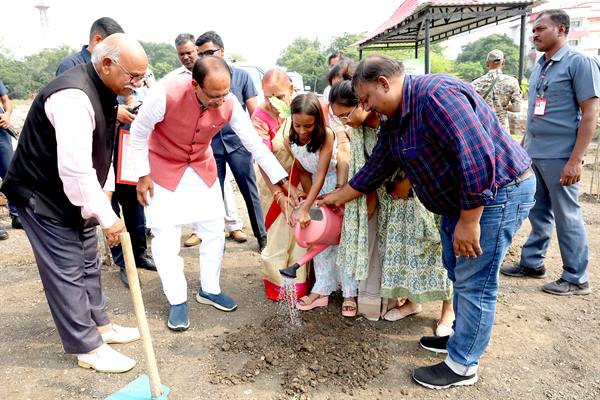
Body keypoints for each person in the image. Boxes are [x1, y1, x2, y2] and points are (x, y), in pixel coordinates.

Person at [319, 55, 535, 389]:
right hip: (460, 204)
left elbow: (477, 157)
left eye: (366, 100)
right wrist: (337, 196)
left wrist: (469, 221)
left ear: (384, 84)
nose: (366, 107)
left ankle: (462, 365)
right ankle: (460, 341)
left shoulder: (435, 97)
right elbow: (378, 165)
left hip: (495, 196)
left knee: (475, 282)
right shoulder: (396, 117)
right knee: (457, 272)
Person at [1, 33, 149, 373]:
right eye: (134, 75)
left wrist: (104, 200)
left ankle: (102, 327)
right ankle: (87, 347)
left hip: (73, 193)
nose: (139, 83)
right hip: (42, 194)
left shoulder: (107, 90)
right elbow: (75, 169)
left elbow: (102, 152)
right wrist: (108, 217)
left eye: (143, 75)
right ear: (107, 64)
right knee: (66, 268)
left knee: (87, 260)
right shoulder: (72, 96)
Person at [130, 56, 288, 331]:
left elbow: (252, 142)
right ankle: (177, 299)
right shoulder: (165, 94)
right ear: (195, 85)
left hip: (201, 168)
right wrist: (142, 175)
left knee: (214, 229)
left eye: (225, 94)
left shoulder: (228, 102)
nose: (220, 101)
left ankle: (209, 288)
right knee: (166, 235)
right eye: (214, 96)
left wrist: (280, 178)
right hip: (163, 168)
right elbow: (139, 132)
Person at [329, 81, 454, 330]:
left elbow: (423, 153)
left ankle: (448, 311)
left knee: (432, 251)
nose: (344, 121)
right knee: (404, 255)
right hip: (391, 202)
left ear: (363, 104)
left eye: (346, 114)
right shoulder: (359, 131)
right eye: (338, 117)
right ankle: (411, 303)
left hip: (418, 194)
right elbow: (366, 169)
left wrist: (407, 182)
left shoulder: (392, 121)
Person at [501, 9, 600, 295]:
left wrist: (575, 160)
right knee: (537, 211)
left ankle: (576, 277)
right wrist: (522, 149)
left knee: (567, 214)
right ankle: (533, 263)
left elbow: (590, 115)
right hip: (535, 153)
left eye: (540, 29)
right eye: (533, 30)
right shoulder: (542, 65)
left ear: (561, 30)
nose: (534, 35)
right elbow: (535, 113)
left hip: (561, 156)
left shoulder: (579, 62)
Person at [56, 17, 156, 286]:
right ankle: (123, 261)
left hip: (121, 147)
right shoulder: (72, 69)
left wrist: (130, 104)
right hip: (94, 154)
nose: (133, 81)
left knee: (133, 203)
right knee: (107, 204)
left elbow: (127, 97)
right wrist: (116, 111)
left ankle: (140, 253)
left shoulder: (121, 72)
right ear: (100, 43)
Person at [164, 33, 245, 248]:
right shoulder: (171, 84)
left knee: (223, 188)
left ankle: (234, 226)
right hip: (188, 152)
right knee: (197, 194)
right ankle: (197, 230)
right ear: (195, 85)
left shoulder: (228, 79)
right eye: (183, 54)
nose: (188, 57)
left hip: (224, 142)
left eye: (190, 52)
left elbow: (250, 129)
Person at [288, 93, 358, 316]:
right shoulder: (292, 137)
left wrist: (309, 207)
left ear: (318, 120)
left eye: (308, 125)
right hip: (315, 194)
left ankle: (349, 292)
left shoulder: (326, 135)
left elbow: (320, 174)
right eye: (297, 125)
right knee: (318, 241)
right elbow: (303, 172)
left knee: (341, 240)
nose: (302, 131)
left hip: (335, 188)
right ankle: (322, 290)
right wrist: (307, 199)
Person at [196, 31, 264, 249]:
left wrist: (256, 144)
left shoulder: (243, 76)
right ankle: (216, 243)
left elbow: (254, 112)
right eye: (201, 54)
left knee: (250, 192)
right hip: (211, 146)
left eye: (209, 52)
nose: (205, 57)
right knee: (213, 196)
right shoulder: (198, 79)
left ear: (222, 51)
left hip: (238, 145)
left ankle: (262, 238)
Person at [251, 68, 309, 300]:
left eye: (280, 96)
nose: (274, 103)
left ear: (291, 91)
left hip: (303, 181)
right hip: (272, 185)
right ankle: (278, 287)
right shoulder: (259, 117)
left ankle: (300, 285)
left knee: (302, 234)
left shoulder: (303, 108)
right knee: (277, 234)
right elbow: (264, 159)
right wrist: (279, 194)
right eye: (267, 97)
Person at [471, 49, 521, 132]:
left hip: (482, 128)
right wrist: (503, 105)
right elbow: (517, 108)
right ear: (503, 62)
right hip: (502, 130)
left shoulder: (475, 83)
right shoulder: (512, 81)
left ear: (487, 63)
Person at [0, 78, 21, 239]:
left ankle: (17, 215)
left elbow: (6, 100)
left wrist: (6, 115)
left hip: (1, 134)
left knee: (10, 174)